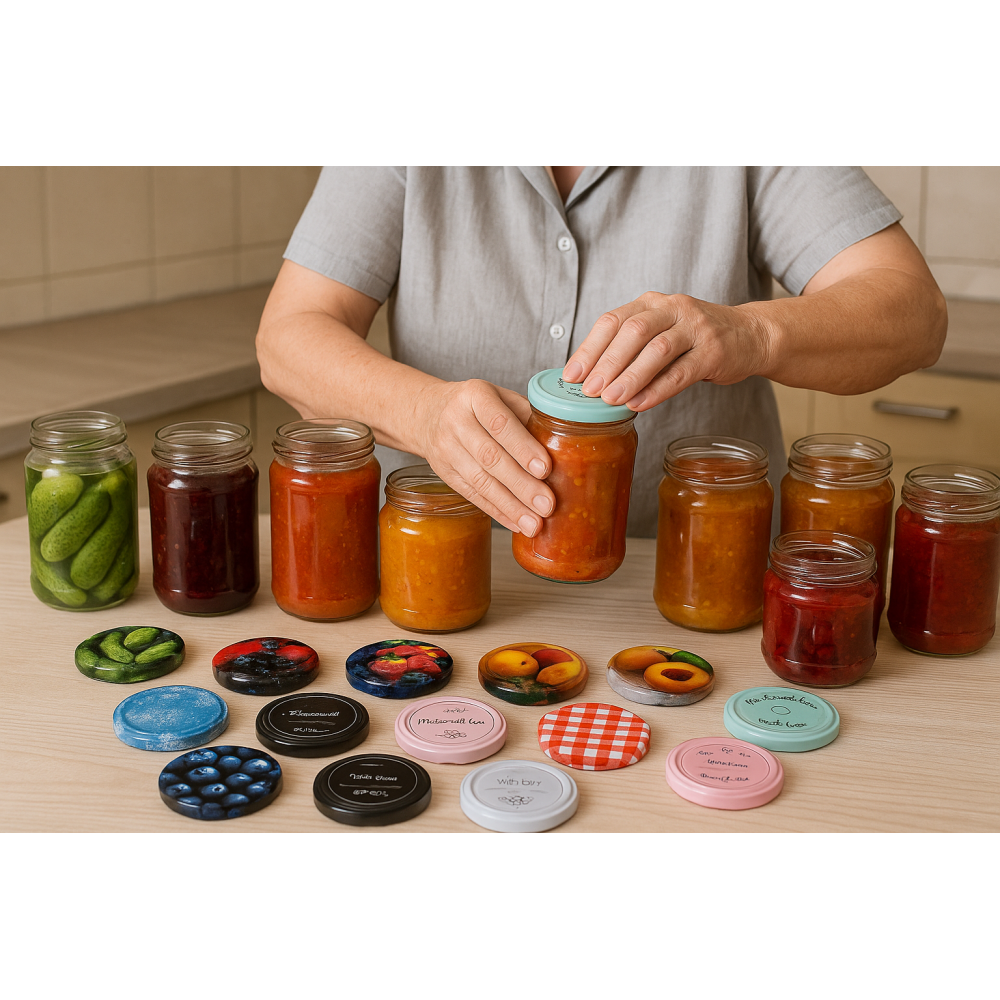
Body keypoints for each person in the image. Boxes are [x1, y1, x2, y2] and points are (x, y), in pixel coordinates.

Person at [256, 167, 947, 538]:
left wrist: (751, 333)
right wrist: (423, 413)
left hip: (691, 574)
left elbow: (915, 313)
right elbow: (287, 338)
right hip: (445, 563)